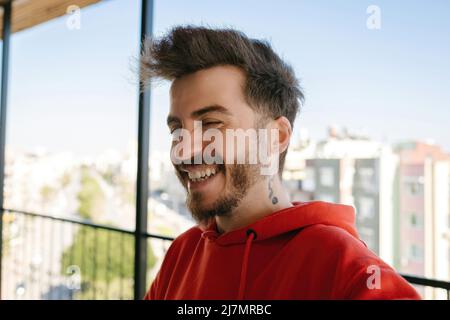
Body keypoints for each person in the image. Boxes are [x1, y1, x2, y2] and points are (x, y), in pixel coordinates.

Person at [140, 26, 420, 300]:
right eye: (177, 130)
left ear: (276, 137)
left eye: (212, 124)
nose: (183, 151)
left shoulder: (347, 271)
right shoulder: (182, 253)